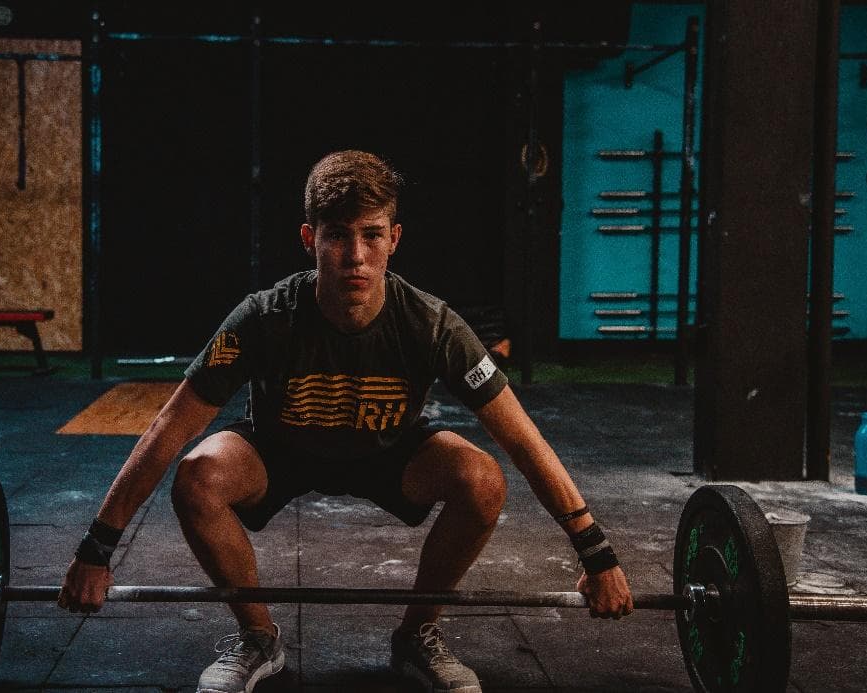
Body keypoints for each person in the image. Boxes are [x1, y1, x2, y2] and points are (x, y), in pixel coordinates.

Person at [59, 150, 633, 693]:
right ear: (309, 238)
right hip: (280, 450)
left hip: (390, 452)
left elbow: (522, 438)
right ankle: (258, 638)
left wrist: (596, 553)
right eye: (337, 235)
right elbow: (169, 428)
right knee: (197, 475)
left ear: (394, 239)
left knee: (482, 478)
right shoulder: (263, 318)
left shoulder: (433, 325)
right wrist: (96, 548)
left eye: (371, 234)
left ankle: (416, 636)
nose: (355, 255)